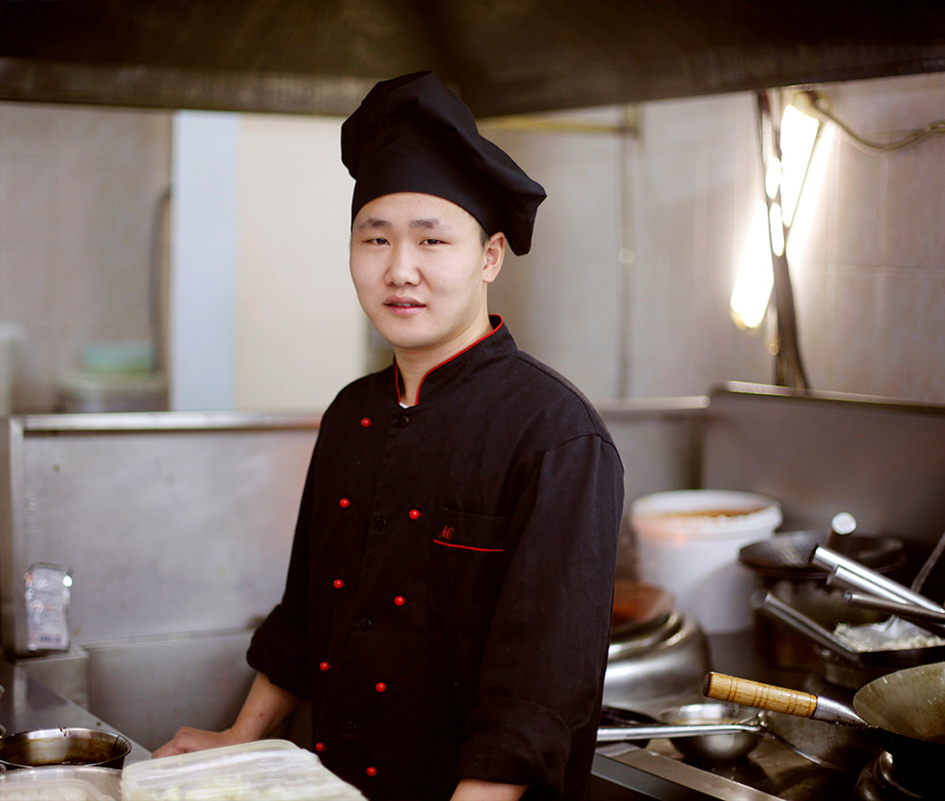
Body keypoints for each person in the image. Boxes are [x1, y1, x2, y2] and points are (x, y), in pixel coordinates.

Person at [155, 71, 624, 801]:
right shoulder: (351, 414)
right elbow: (306, 615)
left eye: (431, 240)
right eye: (375, 238)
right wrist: (236, 738)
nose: (399, 269)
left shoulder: (557, 436)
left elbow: (538, 691)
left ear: (490, 256)